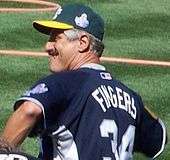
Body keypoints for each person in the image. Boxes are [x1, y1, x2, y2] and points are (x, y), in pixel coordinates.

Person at [1, 3, 167, 160]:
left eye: (56, 38)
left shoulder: (67, 82)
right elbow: (159, 139)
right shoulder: (132, 98)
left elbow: (29, 110)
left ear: (82, 43)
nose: (47, 46)